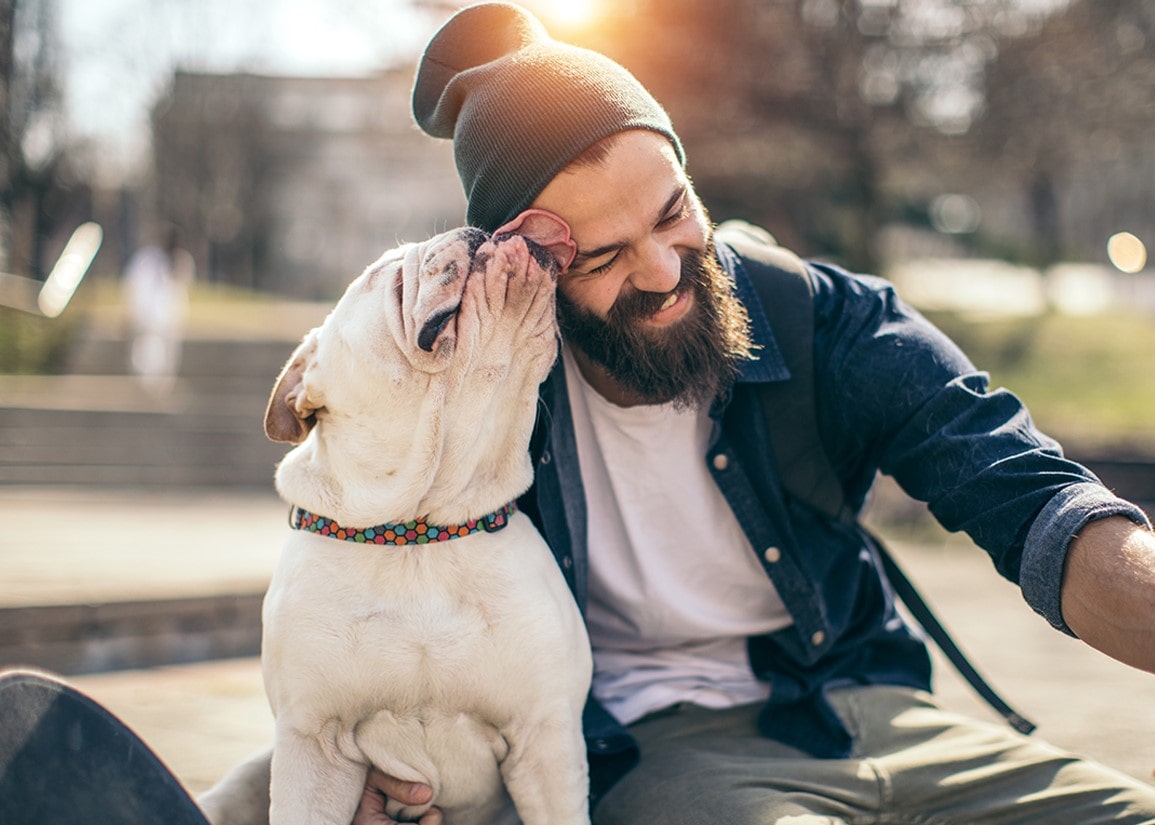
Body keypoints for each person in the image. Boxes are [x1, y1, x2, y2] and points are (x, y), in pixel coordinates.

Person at [3, 4, 1152, 824]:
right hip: (664, 760)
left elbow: (1035, 501)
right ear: (524, 270)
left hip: (871, 705)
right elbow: (369, 597)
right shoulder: (477, 404)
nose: (661, 269)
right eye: (602, 255)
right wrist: (391, 772)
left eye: (674, 213)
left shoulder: (817, 322)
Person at [123, 223, 195, 393]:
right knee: (146, 352)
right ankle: (146, 386)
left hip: (170, 316)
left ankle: (162, 387)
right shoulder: (147, 258)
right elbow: (135, 284)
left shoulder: (181, 259)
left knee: (167, 354)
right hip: (149, 314)